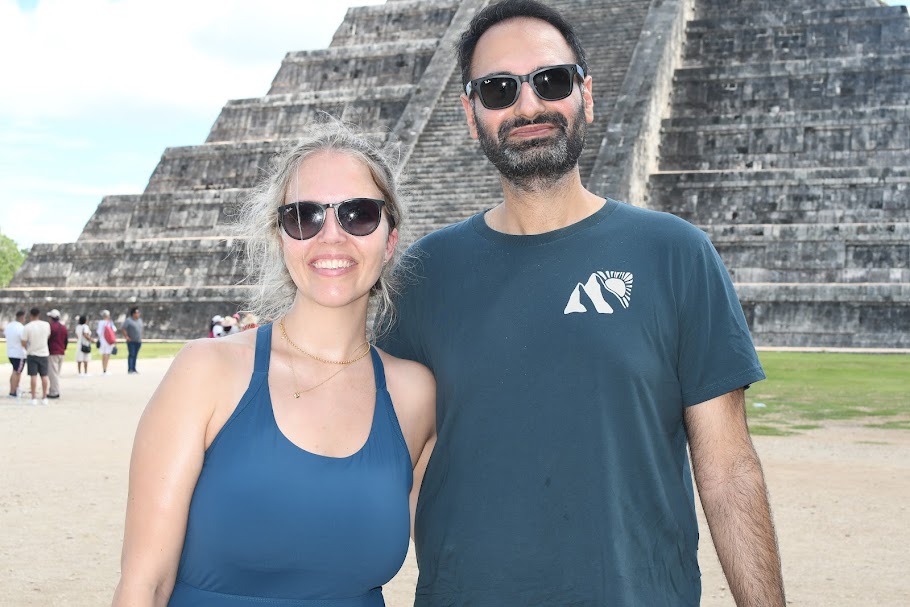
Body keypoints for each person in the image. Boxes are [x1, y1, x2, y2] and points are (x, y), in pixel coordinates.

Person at [377, 1, 786, 605]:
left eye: (551, 80)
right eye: (498, 89)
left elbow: (728, 469)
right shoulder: (424, 274)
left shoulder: (674, 254)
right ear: (470, 114)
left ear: (586, 95)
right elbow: (391, 461)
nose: (528, 106)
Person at [112, 121, 436, 606]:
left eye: (359, 214)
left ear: (389, 240)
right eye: (304, 217)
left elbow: (459, 559)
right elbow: (145, 585)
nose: (332, 237)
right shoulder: (206, 372)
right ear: (281, 238)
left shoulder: (415, 395)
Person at [20, 308, 51, 406]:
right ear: (39, 314)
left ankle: (33, 398)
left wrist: (28, 348)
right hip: (44, 353)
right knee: (44, 376)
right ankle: (44, 397)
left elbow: (23, 342)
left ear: (31, 315)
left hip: (32, 353)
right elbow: (48, 336)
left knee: (33, 376)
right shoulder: (46, 325)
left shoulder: (27, 327)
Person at [46, 309, 68, 399]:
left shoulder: (50, 327)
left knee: (53, 373)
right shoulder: (63, 327)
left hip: (53, 351)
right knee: (56, 373)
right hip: (61, 351)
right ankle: (53, 389)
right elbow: (66, 340)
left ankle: (54, 391)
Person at [5, 310, 26, 398]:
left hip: (10, 352)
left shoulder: (9, 326)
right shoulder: (21, 328)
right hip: (19, 353)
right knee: (17, 372)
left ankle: (14, 389)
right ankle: (13, 391)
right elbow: (23, 340)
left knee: (14, 371)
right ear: (22, 317)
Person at [121, 307, 143, 374]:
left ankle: (134, 368)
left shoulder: (140, 320)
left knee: (135, 355)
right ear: (133, 314)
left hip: (138, 341)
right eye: (137, 313)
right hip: (131, 341)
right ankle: (130, 369)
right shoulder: (128, 320)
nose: (138, 314)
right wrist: (126, 337)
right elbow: (123, 328)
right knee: (132, 354)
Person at [97, 310, 117, 375]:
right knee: (107, 354)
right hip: (108, 341)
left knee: (104, 355)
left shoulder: (100, 322)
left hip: (102, 341)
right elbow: (114, 330)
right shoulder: (110, 322)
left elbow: (99, 332)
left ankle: (104, 369)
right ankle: (105, 369)